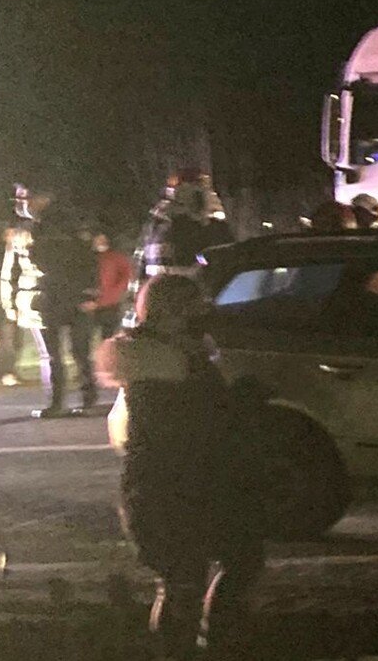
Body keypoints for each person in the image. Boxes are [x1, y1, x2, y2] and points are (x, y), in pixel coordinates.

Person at [99, 275, 265, 659]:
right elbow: (192, 419)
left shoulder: (169, 354)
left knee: (209, 570)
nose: (202, 313)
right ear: (173, 311)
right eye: (193, 306)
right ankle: (197, 648)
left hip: (183, 483)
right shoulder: (161, 363)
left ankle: (205, 645)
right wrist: (239, 400)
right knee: (187, 578)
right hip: (169, 487)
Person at [1, 186, 100, 417]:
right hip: (41, 300)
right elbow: (10, 270)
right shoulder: (20, 231)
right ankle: (57, 403)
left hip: (71, 297)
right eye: (19, 199)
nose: (21, 203)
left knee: (79, 351)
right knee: (51, 355)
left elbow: (88, 260)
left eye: (25, 198)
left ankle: (87, 399)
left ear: (43, 198)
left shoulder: (69, 224)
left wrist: (90, 294)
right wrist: (9, 303)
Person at [129, 171, 234, 327]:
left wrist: (136, 313)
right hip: (186, 311)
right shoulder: (208, 227)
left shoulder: (154, 223)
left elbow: (139, 266)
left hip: (155, 308)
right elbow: (222, 265)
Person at [73, 229, 132, 369]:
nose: (100, 242)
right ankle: (86, 369)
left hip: (109, 306)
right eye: (97, 239)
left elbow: (124, 281)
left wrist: (103, 300)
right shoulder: (84, 257)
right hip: (88, 305)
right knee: (83, 341)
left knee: (108, 339)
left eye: (103, 239)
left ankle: (107, 367)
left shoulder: (116, 257)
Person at [0, 223, 25, 386]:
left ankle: (6, 371)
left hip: (9, 302)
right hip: (2, 302)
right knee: (7, 339)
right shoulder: (0, 255)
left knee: (11, 339)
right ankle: (5, 372)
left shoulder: (14, 255)